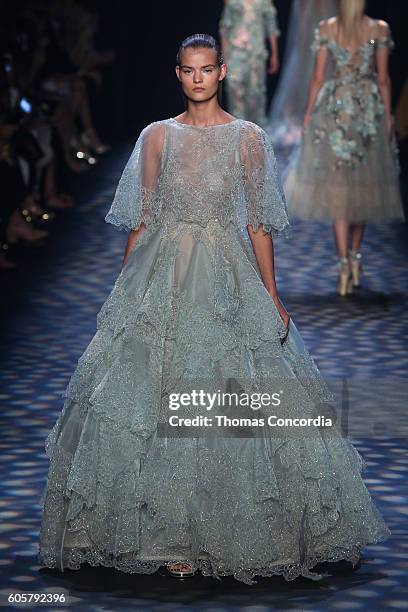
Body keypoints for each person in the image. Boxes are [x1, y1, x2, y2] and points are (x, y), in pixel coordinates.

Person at [38, 33, 390, 584]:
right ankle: (166, 535)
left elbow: (257, 225)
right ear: (176, 73)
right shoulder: (157, 137)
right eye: (188, 70)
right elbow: (144, 218)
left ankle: (252, 533)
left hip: (227, 273)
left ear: (222, 71)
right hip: (163, 274)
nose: (198, 78)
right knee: (148, 397)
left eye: (207, 69)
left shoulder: (247, 139)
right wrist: (123, 290)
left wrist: (272, 296)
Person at [284, 0, 405, 296]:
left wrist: (309, 115)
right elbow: (384, 78)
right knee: (363, 187)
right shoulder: (378, 28)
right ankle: (354, 259)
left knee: (340, 190)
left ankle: (342, 266)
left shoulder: (327, 28)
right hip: (366, 112)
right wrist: (388, 116)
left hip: (335, 111)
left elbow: (316, 78)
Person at [219, 0, 280, 129]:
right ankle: (237, 136)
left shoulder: (265, 2)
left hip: (256, 56)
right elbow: (225, 27)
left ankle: (254, 137)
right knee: (236, 95)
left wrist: (274, 54)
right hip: (234, 54)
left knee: (255, 96)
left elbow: (271, 27)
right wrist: (223, 58)